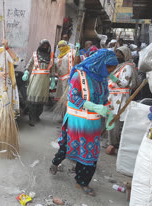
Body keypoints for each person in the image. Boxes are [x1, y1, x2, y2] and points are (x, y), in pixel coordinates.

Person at [49, 49, 118, 196]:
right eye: (109, 67)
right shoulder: (78, 75)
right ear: (100, 63)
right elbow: (73, 97)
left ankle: (82, 181)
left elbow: (104, 100)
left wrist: (109, 114)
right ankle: (55, 162)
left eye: (113, 68)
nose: (111, 71)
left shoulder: (102, 78)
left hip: (92, 124)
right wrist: (93, 106)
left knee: (90, 152)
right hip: (75, 120)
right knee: (67, 146)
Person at [105, 46, 138, 155]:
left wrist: (111, 76)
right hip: (113, 97)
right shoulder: (119, 66)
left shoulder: (128, 67)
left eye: (120, 53)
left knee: (115, 121)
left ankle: (114, 143)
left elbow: (124, 83)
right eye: (117, 53)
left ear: (125, 55)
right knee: (110, 119)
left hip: (120, 98)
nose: (117, 55)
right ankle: (110, 142)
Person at [22, 39, 54, 126]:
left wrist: (53, 80)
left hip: (45, 81)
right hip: (35, 80)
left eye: (46, 45)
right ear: (40, 45)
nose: (44, 47)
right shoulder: (35, 54)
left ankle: (37, 116)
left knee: (41, 100)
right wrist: (26, 73)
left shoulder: (51, 56)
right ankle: (31, 118)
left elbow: (52, 69)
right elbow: (29, 65)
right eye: (43, 45)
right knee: (32, 99)